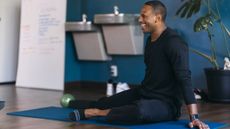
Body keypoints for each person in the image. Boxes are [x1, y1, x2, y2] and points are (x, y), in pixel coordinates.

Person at [67, 1, 209, 128]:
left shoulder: (174, 42)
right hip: (144, 92)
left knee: (140, 111)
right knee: (106, 102)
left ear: (157, 18)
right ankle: (73, 104)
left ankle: (95, 113)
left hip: (166, 104)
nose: (139, 19)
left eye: (144, 16)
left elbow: (184, 78)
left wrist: (194, 117)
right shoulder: (149, 41)